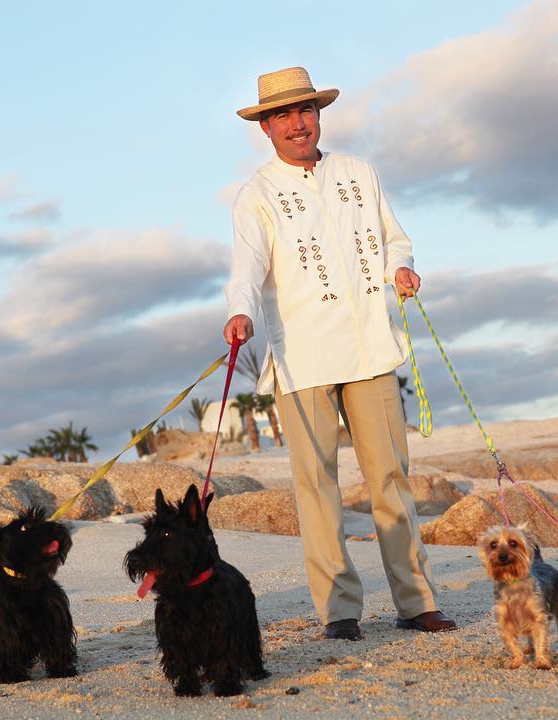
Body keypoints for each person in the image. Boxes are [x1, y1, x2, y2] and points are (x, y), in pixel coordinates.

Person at [223, 66, 455, 640]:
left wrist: (399, 265)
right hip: (302, 357)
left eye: (305, 111)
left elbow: (393, 235)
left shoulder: (358, 172)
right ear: (266, 129)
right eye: (283, 116)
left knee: (391, 479)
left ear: (318, 115)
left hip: (372, 347)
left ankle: (416, 600)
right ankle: (340, 610)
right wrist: (241, 309)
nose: (297, 124)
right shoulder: (256, 194)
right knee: (317, 486)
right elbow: (247, 266)